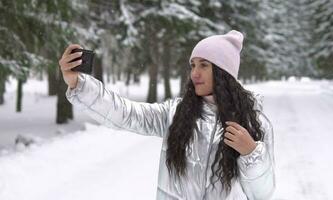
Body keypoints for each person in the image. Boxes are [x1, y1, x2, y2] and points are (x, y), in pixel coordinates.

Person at [58, 30, 275, 200]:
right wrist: (77, 83)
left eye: (204, 65)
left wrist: (252, 154)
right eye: (192, 65)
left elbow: (262, 195)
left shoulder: (253, 124)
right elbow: (125, 113)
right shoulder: (176, 113)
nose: (195, 73)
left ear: (223, 72)